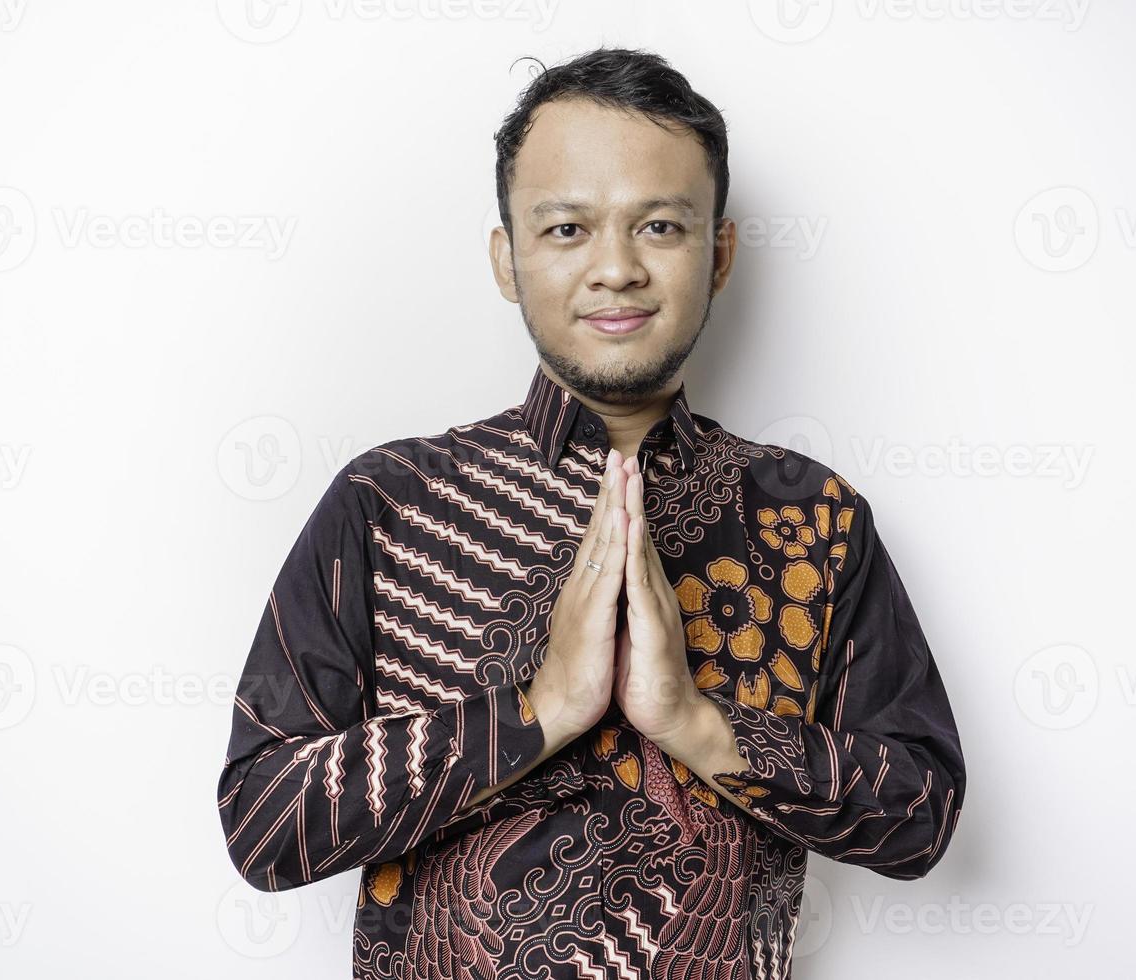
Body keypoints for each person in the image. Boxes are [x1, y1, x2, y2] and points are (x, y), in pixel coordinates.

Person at [216, 46, 965, 980]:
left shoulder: (815, 520)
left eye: (659, 225)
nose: (615, 269)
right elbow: (261, 821)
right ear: (507, 258)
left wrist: (696, 723)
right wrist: (536, 712)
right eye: (567, 228)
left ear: (719, 253)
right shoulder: (390, 505)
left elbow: (922, 816)